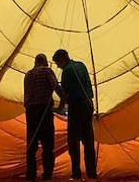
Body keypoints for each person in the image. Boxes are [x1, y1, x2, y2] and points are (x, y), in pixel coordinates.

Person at [52, 49, 97, 179]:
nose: (58, 66)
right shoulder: (81, 65)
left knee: (73, 141)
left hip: (77, 107)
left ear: (62, 59)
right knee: (88, 140)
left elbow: (65, 93)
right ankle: (92, 173)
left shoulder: (67, 71)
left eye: (57, 63)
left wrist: (59, 106)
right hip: (89, 104)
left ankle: (76, 174)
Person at [22, 54, 63, 180]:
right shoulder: (46, 71)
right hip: (44, 111)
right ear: (45, 62)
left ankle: (31, 174)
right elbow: (55, 86)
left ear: (35, 62)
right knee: (47, 145)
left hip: (30, 112)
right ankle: (47, 175)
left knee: (31, 144)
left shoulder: (28, 74)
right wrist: (63, 101)